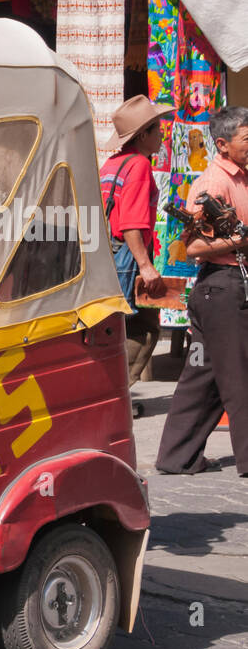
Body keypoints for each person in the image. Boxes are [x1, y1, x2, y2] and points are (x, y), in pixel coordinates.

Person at [155, 106, 248, 475]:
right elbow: (190, 247)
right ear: (223, 145)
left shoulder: (240, 178)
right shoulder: (213, 184)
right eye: (247, 139)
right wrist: (241, 244)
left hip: (223, 289)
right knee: (240, 376)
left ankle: (177, 457)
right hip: (222, 288)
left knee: (201, 378)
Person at [100, 95, 172, 413]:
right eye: (158, 130)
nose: (162, 136)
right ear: (143, 134)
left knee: (114, 327)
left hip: (106, 254)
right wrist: (145, 266)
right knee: (142, 328)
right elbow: (132, 223)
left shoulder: (112, 163)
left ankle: (109, 395)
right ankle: (113, 397)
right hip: (128, 258)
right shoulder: (140, 165)